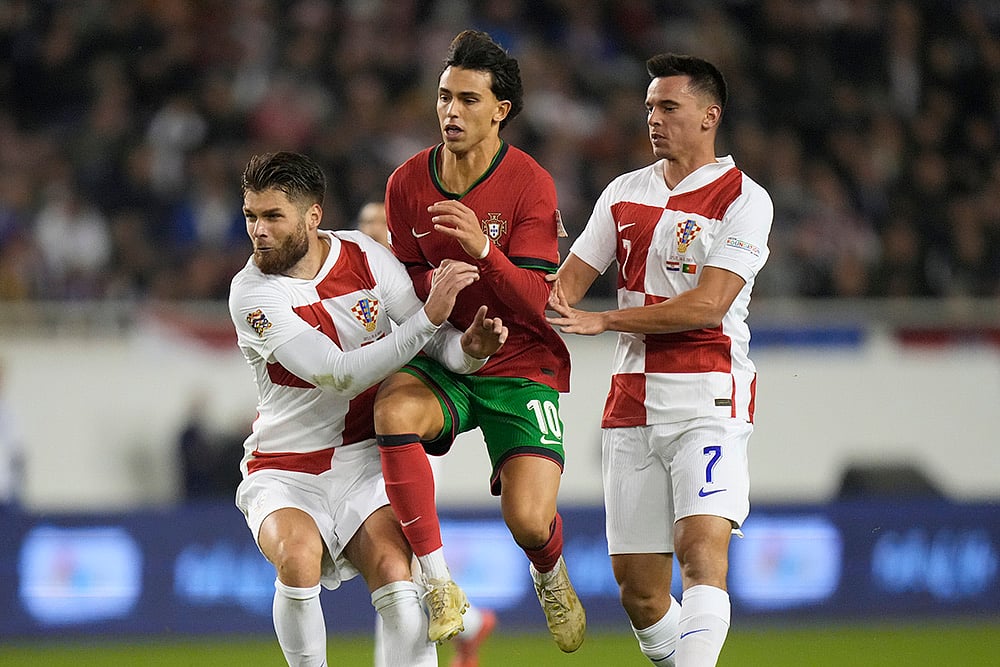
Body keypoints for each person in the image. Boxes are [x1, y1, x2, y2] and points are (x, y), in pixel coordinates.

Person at [228, 151, 507, 667]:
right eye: (250, 216)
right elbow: (339, 371)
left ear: (312, 217)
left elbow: (435, 345)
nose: (258, 231)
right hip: (287, 467)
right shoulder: (252, 294)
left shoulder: (364, 255)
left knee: (398, 580)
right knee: (297, 556)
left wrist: (471, 349)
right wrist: (427, 321)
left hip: (363, 461)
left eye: (272, 217)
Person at [547, 53, 773, 666]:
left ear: (709, 116)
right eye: (649, 107)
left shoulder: (744, 199)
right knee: (641, 593)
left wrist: (605, 319)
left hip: (710, 397)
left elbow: (708, 304)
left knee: (701, 554)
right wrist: (496, 270)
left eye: (668, 107)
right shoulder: (623, 193)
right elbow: (565, 285)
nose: (653, 118)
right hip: (631, 403)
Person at [373, 29, 586, 653]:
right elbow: (404, 282)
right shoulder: (406, 184)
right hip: (447, 354)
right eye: (444, 97)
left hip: (520, 361)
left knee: (526, 518)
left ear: (501, 110)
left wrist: (481, 250)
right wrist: (441, 315)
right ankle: (439, 585)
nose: (451, 112)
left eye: (468, 100)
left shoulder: (530, 185)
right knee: (392, 410)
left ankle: (549, 571)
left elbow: (538, 303)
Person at [357, 200, 498, 667]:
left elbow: (442, 347)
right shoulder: (345, 286)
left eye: (383, 226)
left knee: (395, 562)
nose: (375, 234)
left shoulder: (409, 291)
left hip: (402, 430)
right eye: (366, 227)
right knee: (398, 565)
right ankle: (473, 622)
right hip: (357, 437)